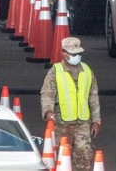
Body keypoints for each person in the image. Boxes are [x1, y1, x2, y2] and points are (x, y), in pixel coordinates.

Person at [41, 37, 101, 171]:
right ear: (64, 53)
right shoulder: (55, 72)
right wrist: (48, 111)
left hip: (83, 123)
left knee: (83, 157)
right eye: (74, 54)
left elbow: (93, 96)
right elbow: (47, 94)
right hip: (62, 124)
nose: (77, 57)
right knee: (62, 159)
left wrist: (96, 120)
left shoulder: (87, 71)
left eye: (79, 54)